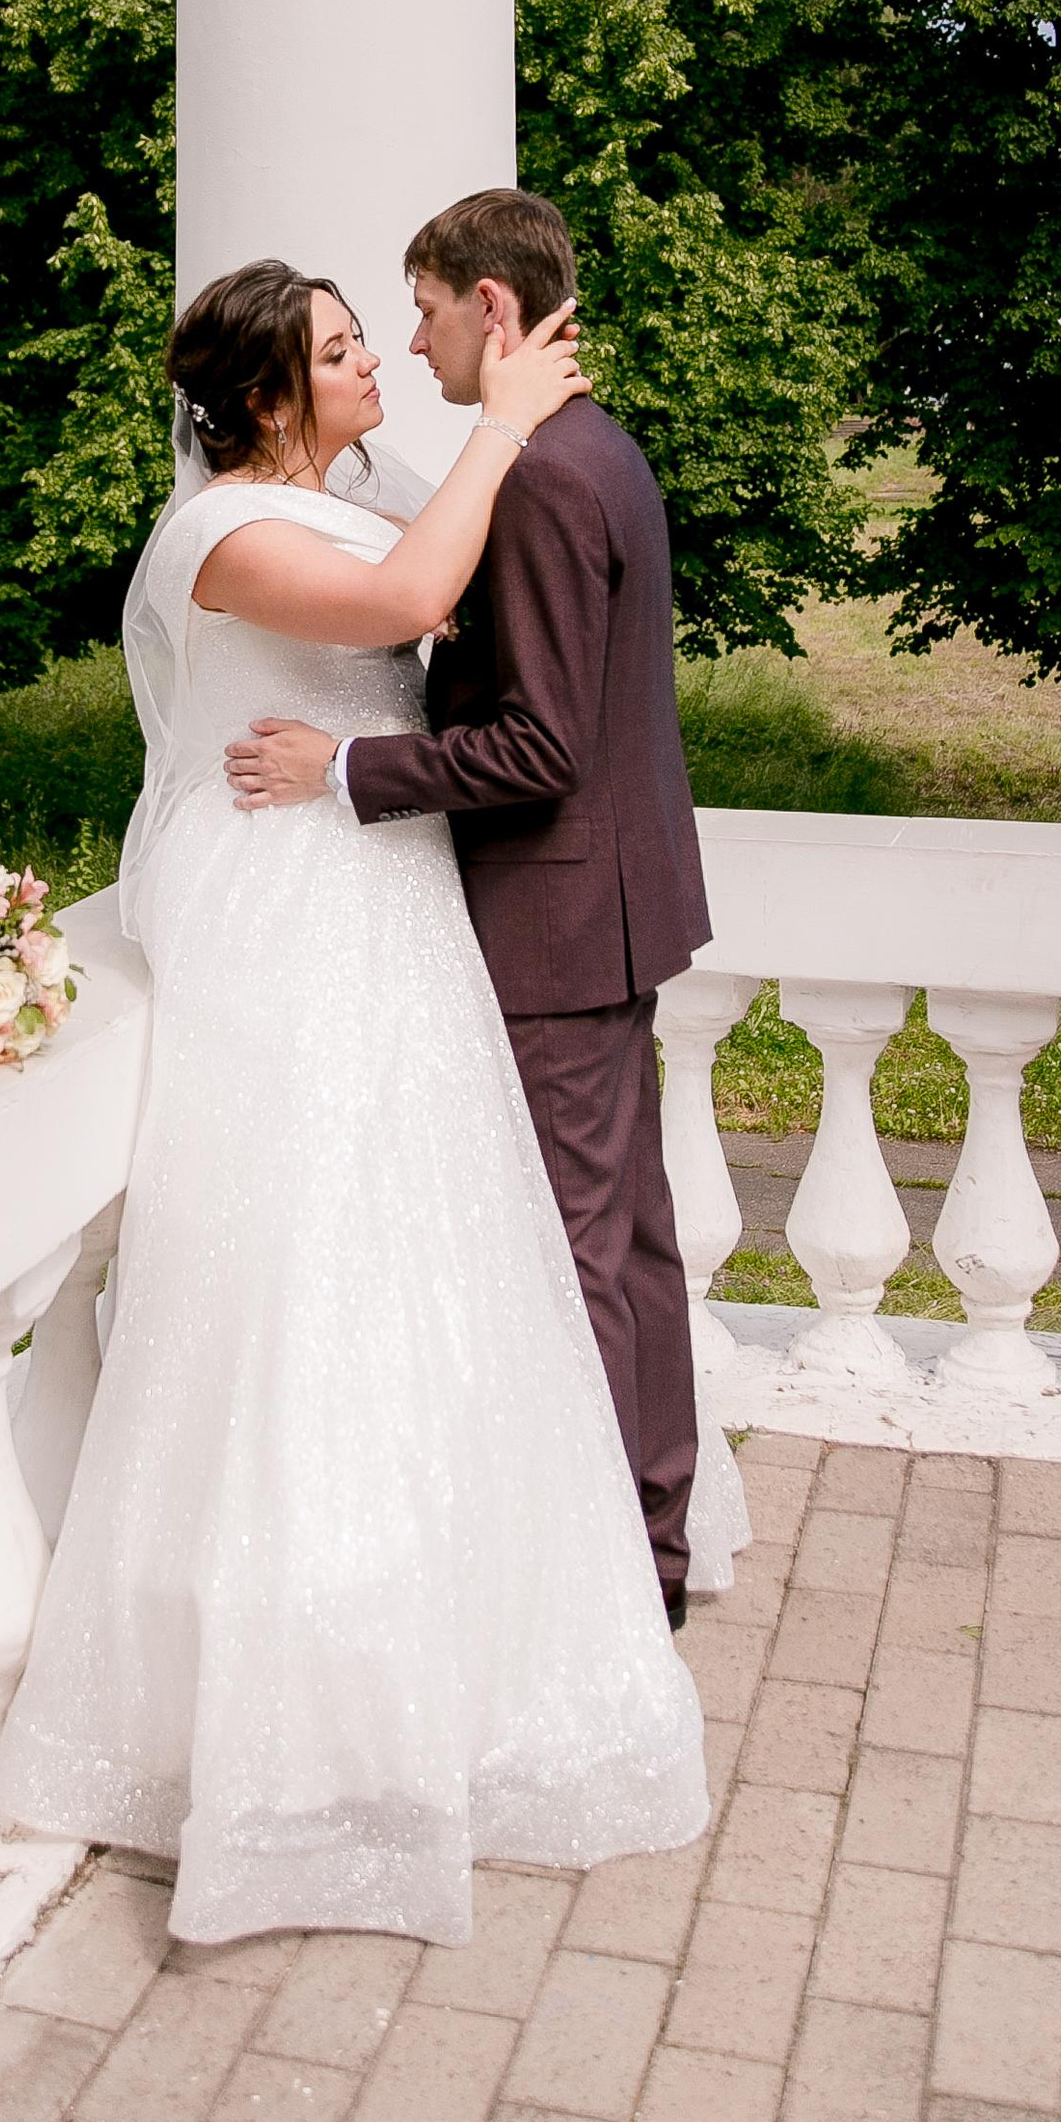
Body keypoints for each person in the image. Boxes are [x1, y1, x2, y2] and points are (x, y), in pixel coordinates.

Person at [0, 258, 708, 1946]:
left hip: (389, 903)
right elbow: (400, 607)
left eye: (374, 332)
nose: (376, 361)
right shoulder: (218, 536)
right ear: (259, 397)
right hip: (286, 907)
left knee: (445, 1253)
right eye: (335, 349)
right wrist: (508, 423)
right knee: (302, 1258)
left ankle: (457, 1623)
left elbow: (455, 588)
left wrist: (494, 458)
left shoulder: (359, 480)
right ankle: (286, 1694)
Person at [223, 189, 747, 1629]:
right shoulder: (592, 452)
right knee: (626, 1240)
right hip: (610, 909)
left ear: (492, 310)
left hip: (557, 921)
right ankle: (653, 1534)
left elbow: (542, 748)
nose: (415, 337)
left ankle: (628, 1572)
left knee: (582, 1249)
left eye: (426, 306)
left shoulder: (543, 480)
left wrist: (345, 767)